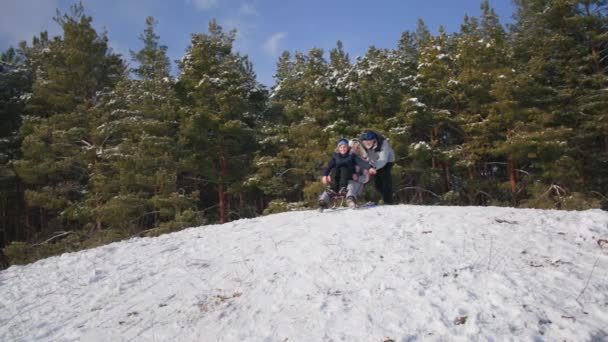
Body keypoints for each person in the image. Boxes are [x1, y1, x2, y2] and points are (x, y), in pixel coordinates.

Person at [319, 138, 369, 209]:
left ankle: (350, 198)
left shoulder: (352, 156)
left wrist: (369, 168)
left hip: (350, 176)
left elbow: (363, 165)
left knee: (346, 175)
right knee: (334, 170)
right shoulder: (335, 156)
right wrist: (325, 175)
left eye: (344, 147)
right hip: (337, 178)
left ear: (348, 147)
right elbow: (328, 166)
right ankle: (323, 200)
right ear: (338, 148)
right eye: (341, 147)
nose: (343, 149)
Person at [360, 130, 396, 204]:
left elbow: (383, 160)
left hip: (387, 161)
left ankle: (388, 201)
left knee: (385, 180)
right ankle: (384, 198)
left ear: (374, 140)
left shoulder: (383, 144)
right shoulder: (362, 145)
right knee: (377, 184)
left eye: (369, 141)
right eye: (365, 141)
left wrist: (373, 167)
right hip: (375, 161)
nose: (367, 143)